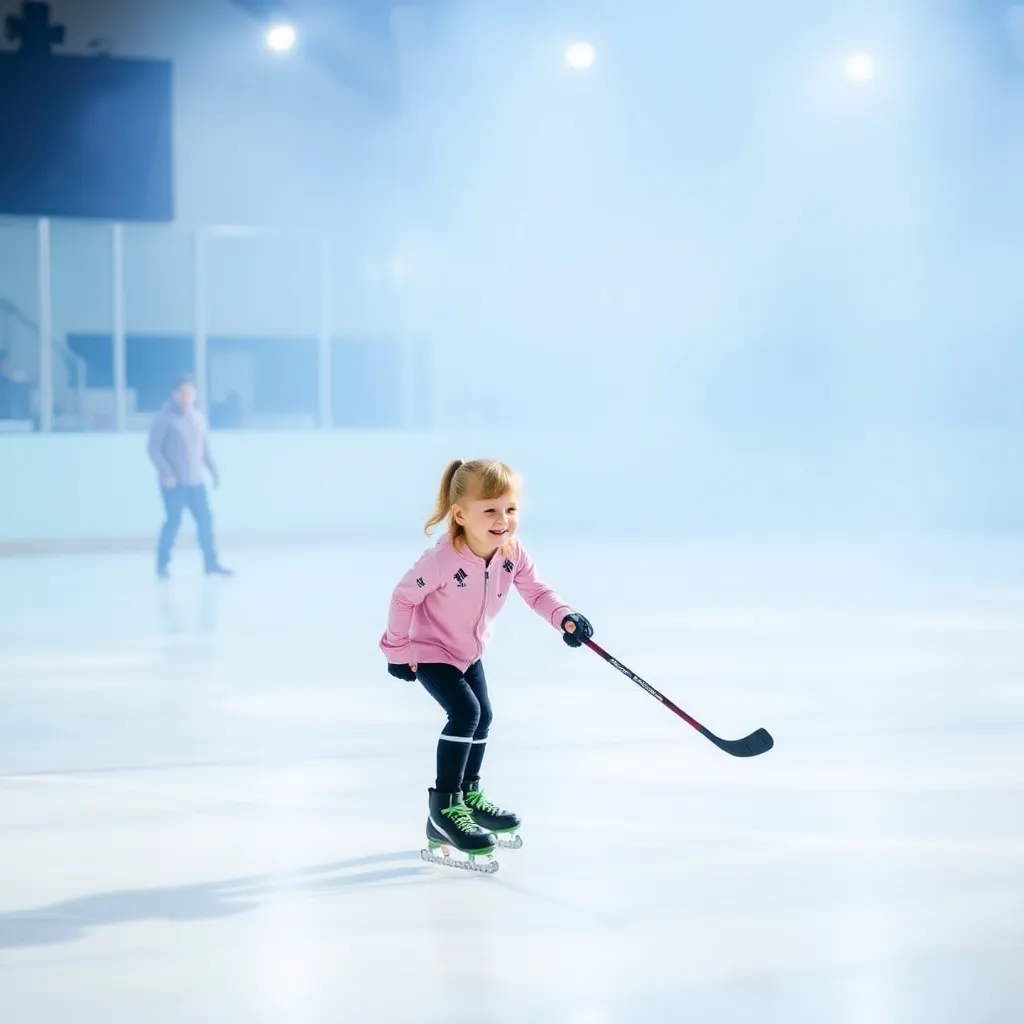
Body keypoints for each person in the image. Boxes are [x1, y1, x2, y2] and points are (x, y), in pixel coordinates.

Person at [380, 458, 593, 869]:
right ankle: (444, 808)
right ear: (460, 515)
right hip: (429, 649)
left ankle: (468, 797)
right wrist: (396, 650)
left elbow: (536, 592)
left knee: (484, 716)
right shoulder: (442, 559)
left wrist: (564, 616)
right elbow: (403, 596)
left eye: (510, 509)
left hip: (469, 650)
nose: (502, 520)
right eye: (490, 510)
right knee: (465, 713)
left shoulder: (511, 553)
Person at [147, 374, 232, 580]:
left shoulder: (198, 416)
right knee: (173, 522)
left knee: (205, 521)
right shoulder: (164, 418)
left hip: (196, 482)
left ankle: (211, 563)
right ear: (174, 394)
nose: (187, 396)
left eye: (190, 392)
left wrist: (213, 470)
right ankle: (162, 565)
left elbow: (203, 448)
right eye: (183, 393)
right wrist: (167, 473)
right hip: (174, 483)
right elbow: (153, 449)